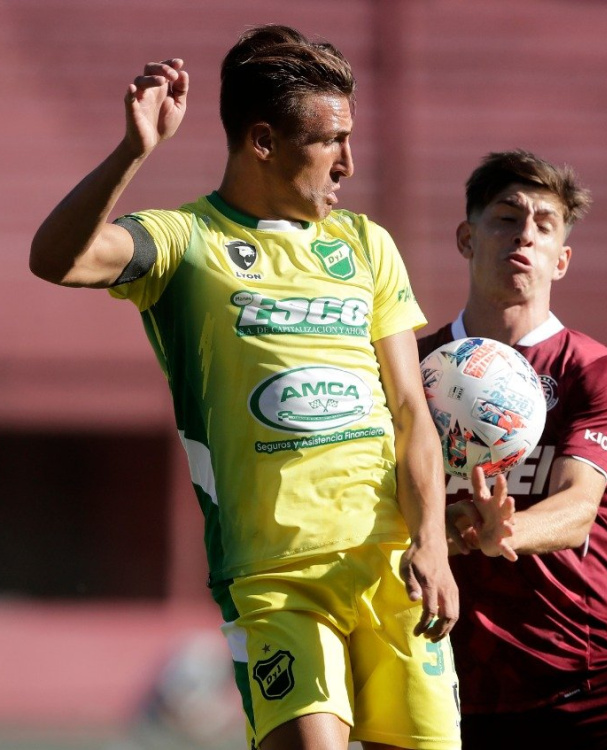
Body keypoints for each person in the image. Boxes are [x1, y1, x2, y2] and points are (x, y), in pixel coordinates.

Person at [29, 25, 463, 750]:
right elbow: (56, 259)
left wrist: (433, 543)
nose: (349, 165)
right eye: (330, 143)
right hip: (274, 577)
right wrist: (134, 153)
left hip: (392, 566)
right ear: (262, 141)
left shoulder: (365, 245)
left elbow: (410, 409)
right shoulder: (183, 242)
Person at [417, 150, 607, 750]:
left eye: (543, 225)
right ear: (466, 237)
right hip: (458, 685)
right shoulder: (411, 369)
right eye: (506, 218)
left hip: (592, 674)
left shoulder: (594, 371)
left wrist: (502, 533)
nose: (524, 236)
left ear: (561, 260)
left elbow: (578, 506)